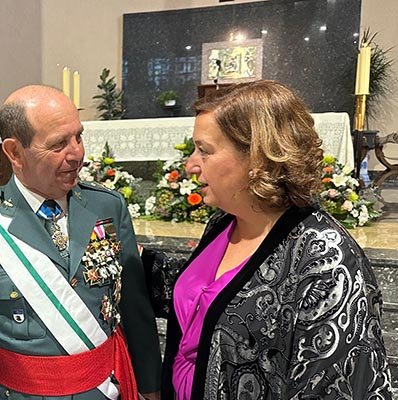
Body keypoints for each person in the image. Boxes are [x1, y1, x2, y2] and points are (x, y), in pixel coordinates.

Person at [141, 80, 392, 399]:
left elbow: (342, 384)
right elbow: (206, 301)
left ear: (257, 157)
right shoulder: (225, 221)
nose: (190, 165)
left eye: (204, 151)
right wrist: (137, 258)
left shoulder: (327, 261)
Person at [0, 85, 161, 399]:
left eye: (79, 137)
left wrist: (150, 385)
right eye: (58, 144)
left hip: (105, 389)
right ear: (15, 152)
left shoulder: (107, 206)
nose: (77, 154)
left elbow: (135, 308)